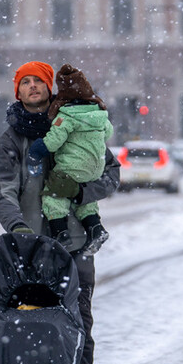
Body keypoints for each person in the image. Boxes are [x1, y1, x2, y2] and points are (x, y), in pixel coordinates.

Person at [0, 60, 120, 364]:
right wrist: (17, 227)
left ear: (50, 88)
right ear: (18, 92)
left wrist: (81, 191)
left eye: (39, 81)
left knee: (77, 316)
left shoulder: (77, 122)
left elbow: (110, 174)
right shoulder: (11, 141)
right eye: (25, 82)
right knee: (26, 316)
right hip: (29, 246)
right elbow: (1, 191)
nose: (32, 87)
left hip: (76, 243)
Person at [27, 63, 113, 255]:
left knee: (54, 193)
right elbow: (108, 133)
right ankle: (95, 228)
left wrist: (38, 149)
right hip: (96, 165)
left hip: (73, 165)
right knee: (85, 200)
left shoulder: (66, 116)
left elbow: (54, 141)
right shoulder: (100, 115)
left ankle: (61, 232)